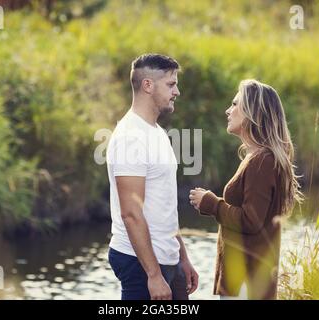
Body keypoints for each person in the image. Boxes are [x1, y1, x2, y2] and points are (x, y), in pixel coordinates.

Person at [189, 79, 303, 300]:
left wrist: (212, 204)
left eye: (234, 104)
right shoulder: (258, 158)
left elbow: (251, 221)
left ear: (252, 112)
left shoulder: (262, 161)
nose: (227, 111)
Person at [106, 53, 198, 300]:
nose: (176, 91)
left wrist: (183, 258)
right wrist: (154, 276)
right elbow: (131, 214)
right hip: (140, 265)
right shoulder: (130, 137)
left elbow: (163, 205)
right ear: (147, 85)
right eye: (171, 84)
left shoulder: (156, 132)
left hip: (167, 259)